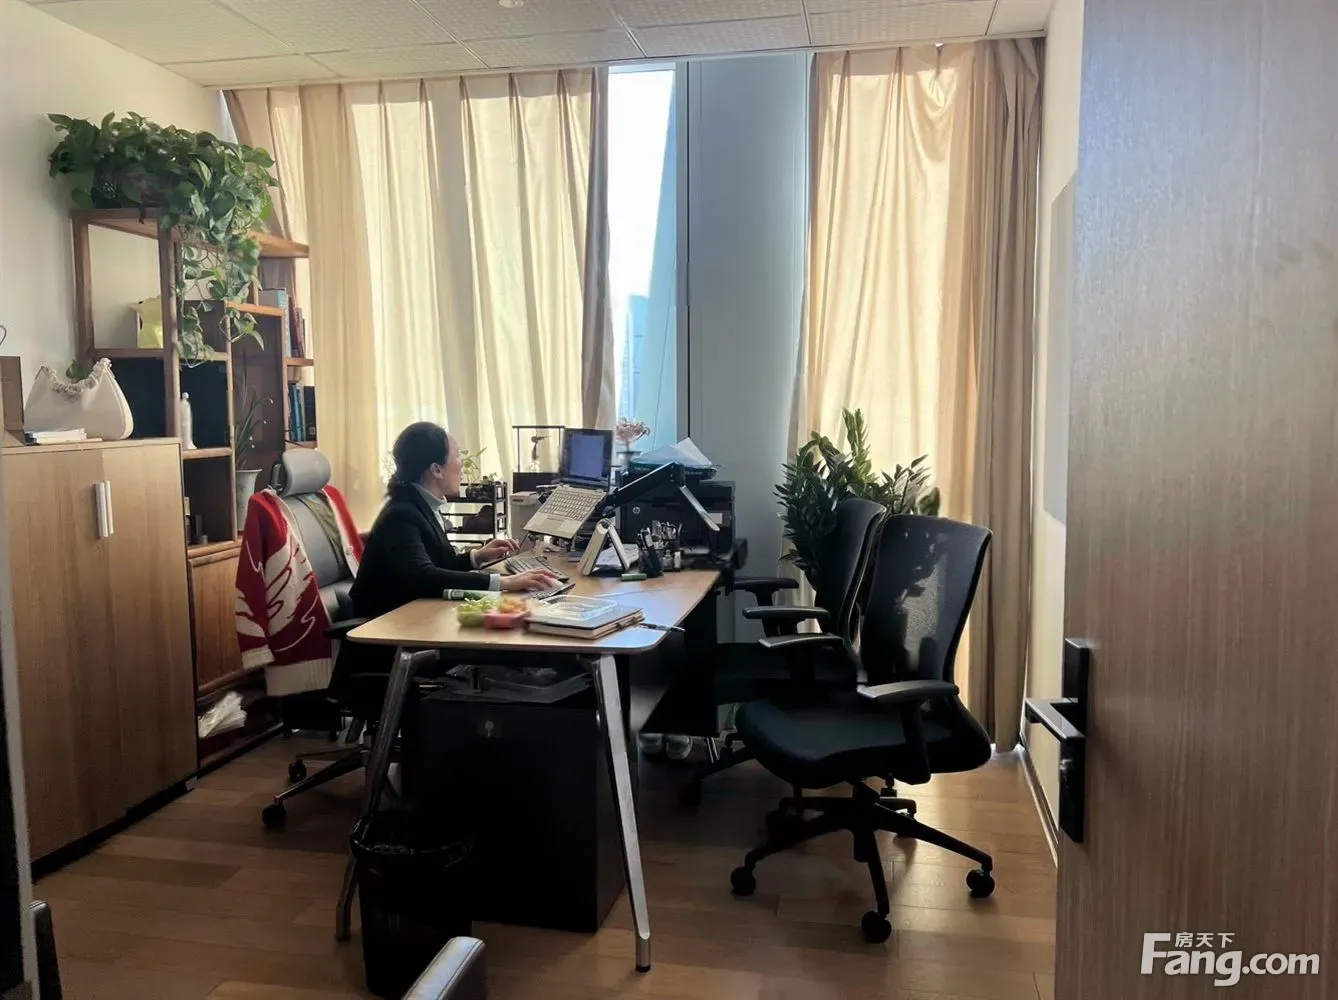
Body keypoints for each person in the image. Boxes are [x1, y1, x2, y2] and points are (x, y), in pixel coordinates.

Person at [351, 421, 562, 620]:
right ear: (436, 470)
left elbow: (439, 565)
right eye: (458, 455)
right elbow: (423, 577)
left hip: (415, 615)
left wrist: (477, 556)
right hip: (385, 625)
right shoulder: (400, 515)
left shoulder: (420, 504)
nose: (462, 465)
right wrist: (504, 582)